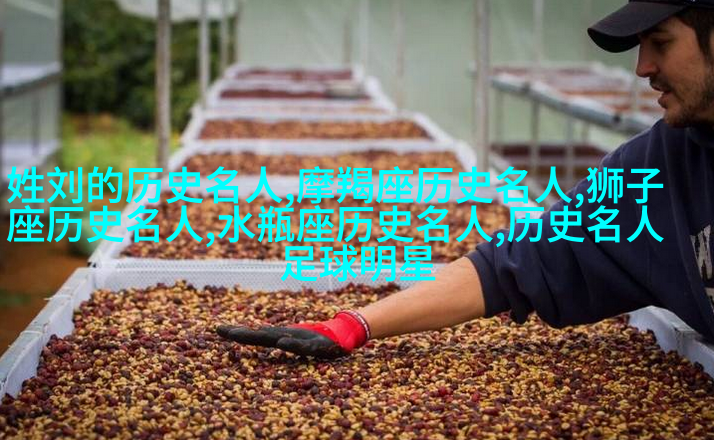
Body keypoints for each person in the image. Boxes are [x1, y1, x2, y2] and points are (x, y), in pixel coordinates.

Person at [217, 0, 714, 358]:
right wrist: (354, 325)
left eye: (661, 43)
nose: (642, 68)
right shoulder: (658, 166)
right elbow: (513, 263)